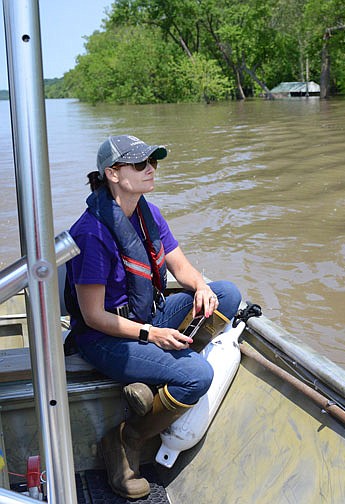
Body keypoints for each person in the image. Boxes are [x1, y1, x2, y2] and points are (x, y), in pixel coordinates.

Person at [65, 134, 241, 499]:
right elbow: (93, 316)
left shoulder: (147, 212)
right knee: (197, 375)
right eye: (140, 164)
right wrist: (150, 335)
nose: (151, 169)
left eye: (154, 162)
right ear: (113, 173)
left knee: (226, 295)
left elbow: (180, 266)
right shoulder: (91, 232)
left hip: (148, 316)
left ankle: (157, 381)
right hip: (106, 337)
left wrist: (200, 287)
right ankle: (126, 438)